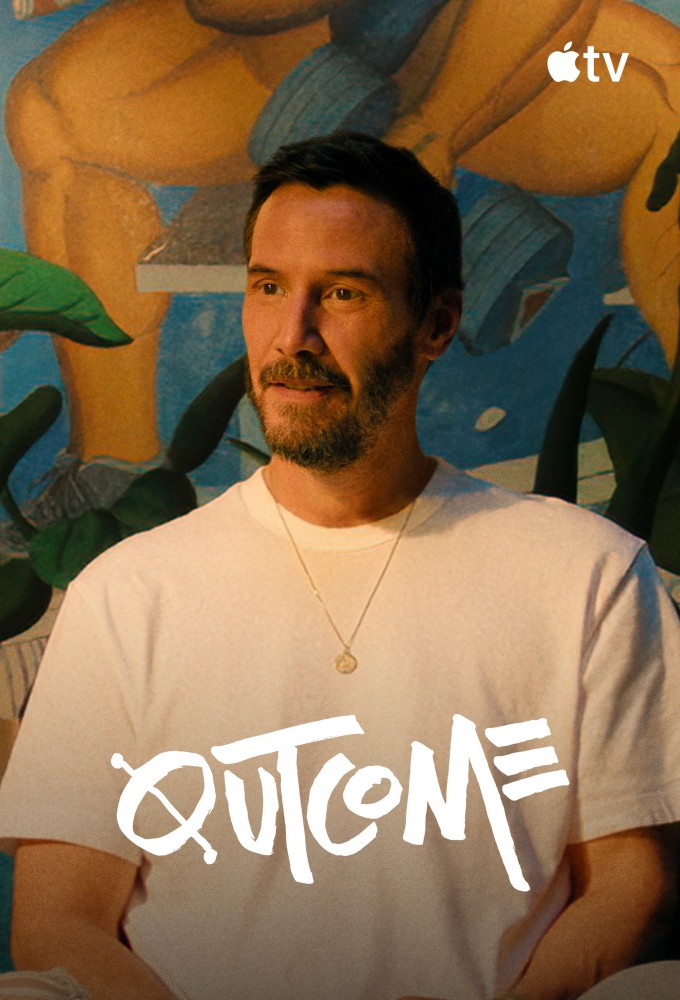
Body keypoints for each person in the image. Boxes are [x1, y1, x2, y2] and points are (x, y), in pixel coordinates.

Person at [0, 132, 679, 1000]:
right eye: (268, 288)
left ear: (435, 324)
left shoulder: (588, 575)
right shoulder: (128, 595)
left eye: (343, 293)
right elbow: (59, 921)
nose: (293, 336)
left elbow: (629, 884)